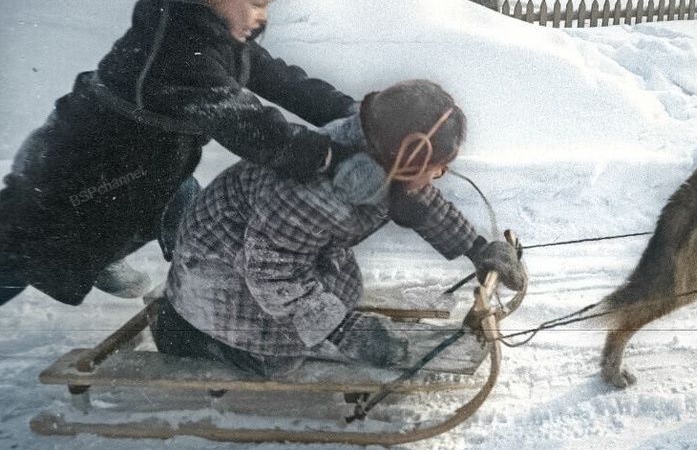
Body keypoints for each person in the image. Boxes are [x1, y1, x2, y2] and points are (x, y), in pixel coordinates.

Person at [0, 0, 359, 307]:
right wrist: (335, 155)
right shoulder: (178, 51)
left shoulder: (208, 31)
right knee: (22, 253)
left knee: (196, 223)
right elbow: (251, 128)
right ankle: (104, 257)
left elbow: (280, 79)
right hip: (74, 177)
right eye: (258, 2)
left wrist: (356, 116)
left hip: (146, 171)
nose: (262, 16)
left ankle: (140, 270)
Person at [149, 79, 526, 378]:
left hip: (259, 254)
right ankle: (187, 333)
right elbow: (272, 273)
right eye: (438, 165)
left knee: (336, 298)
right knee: (273, 360)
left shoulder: (377, 156)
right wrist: (347, 332)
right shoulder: (311, 196)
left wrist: (477, 248)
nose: (441, 174)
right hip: (220, 275)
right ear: (410, 156)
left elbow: (418, 200)